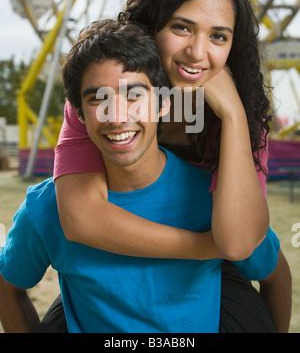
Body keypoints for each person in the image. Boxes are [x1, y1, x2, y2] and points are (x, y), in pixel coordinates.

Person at [0, 20, 291, 333]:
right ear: (79, 114)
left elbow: (275, 278)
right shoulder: (45, 209)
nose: (117, 115)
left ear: (164, 103)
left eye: (134, 95)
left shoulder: (214, 198)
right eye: (97, 98)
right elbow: (8, 289)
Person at [52, 0, 277, 332]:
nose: (197, 52)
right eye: (182, 28)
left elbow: (238, 245)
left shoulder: (244, 117)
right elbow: (82, 220)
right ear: (152, 26)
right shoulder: (100, 96)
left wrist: (235, 115)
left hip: (206, 280)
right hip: (118, 264)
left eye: (218, 36)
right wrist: (207, 249)